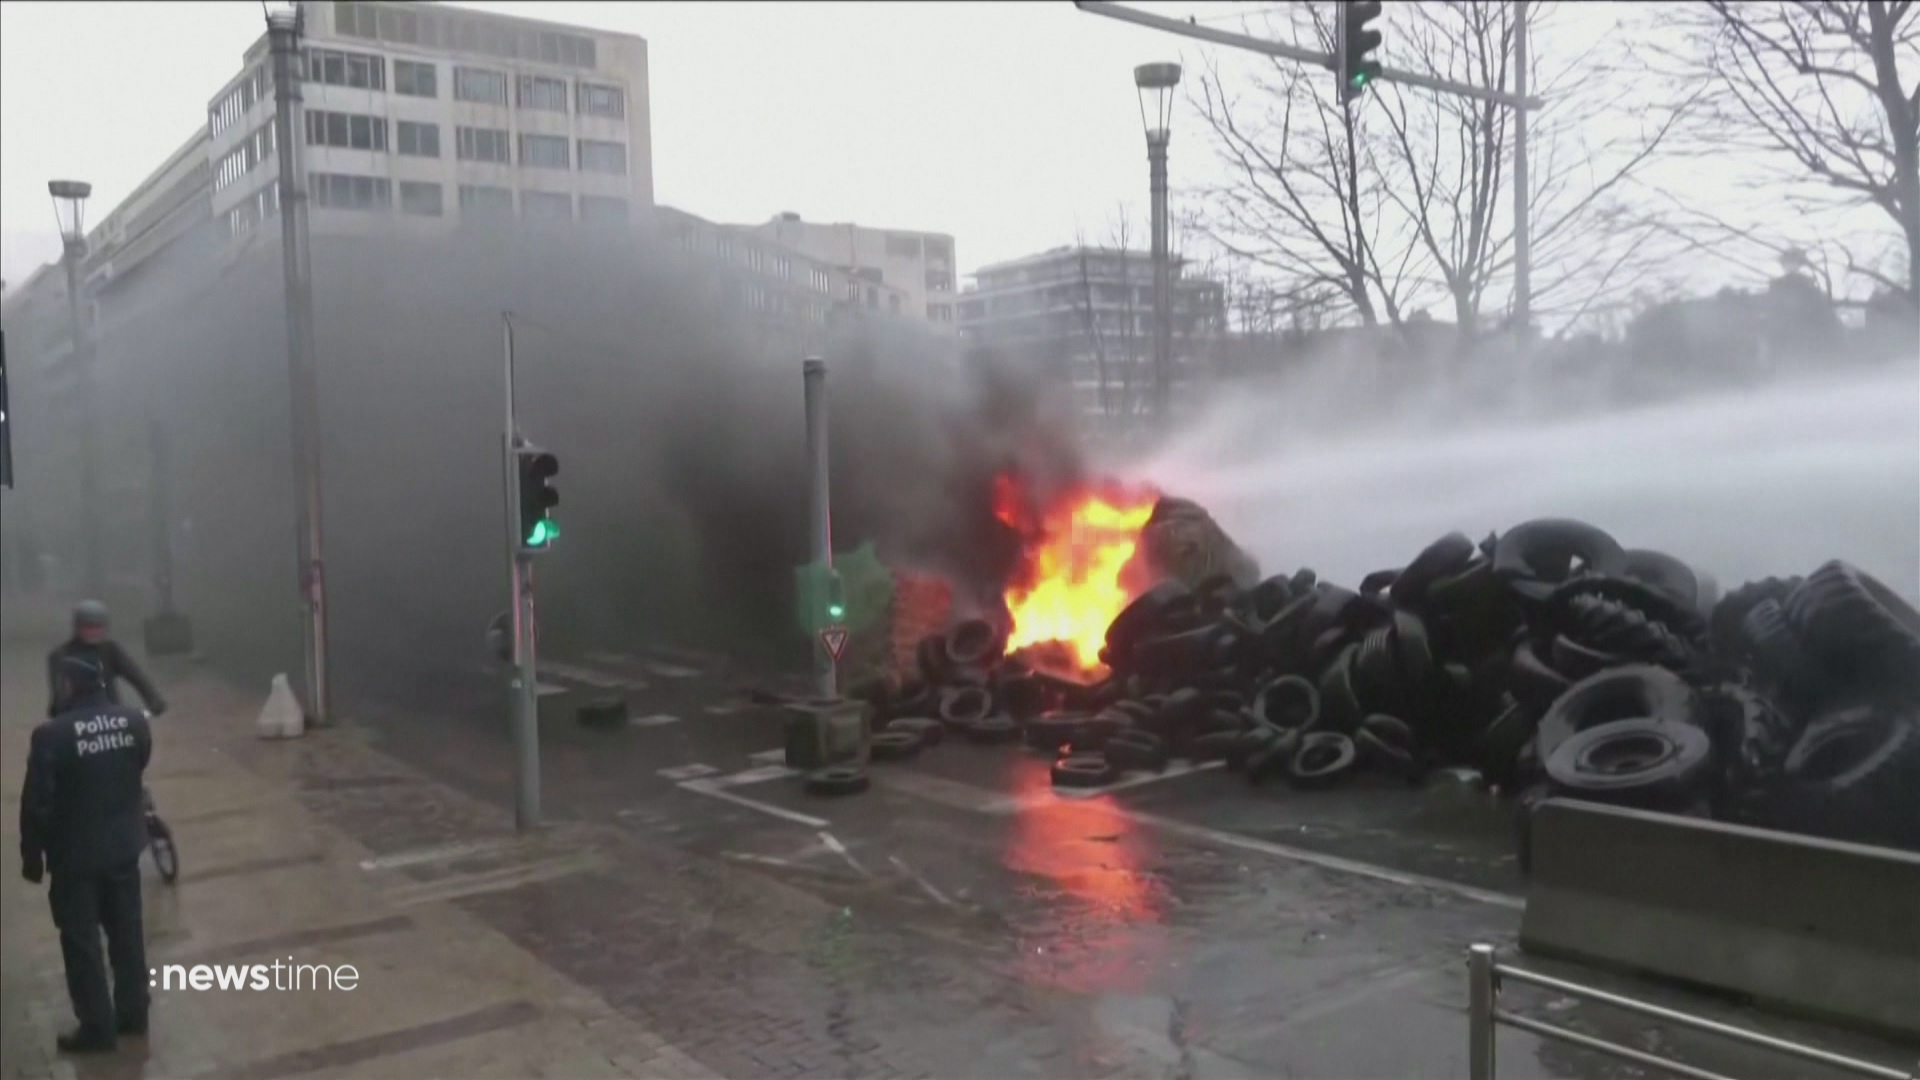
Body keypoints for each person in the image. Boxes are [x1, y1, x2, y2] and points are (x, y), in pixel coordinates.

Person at [19, 657, 155, 1053]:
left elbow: (36, 803)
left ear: (68, 686)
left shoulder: (51, 735)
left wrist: (32, 856)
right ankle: (133, 1013)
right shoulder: (133, 721)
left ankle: (97, 1027)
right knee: (127, 934)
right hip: (124, 850)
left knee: (82, 944)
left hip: (74, 859)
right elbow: (138, 765)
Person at [47, 601, 167, 719]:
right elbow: (59, 691)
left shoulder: (110, 649)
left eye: (98, 627)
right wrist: (60, 713)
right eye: (89, 627)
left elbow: (136, 676)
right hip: (77, 717)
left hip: (112, 714)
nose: (94, 632)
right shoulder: (60, 655)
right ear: (77, 627)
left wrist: (154, 701)